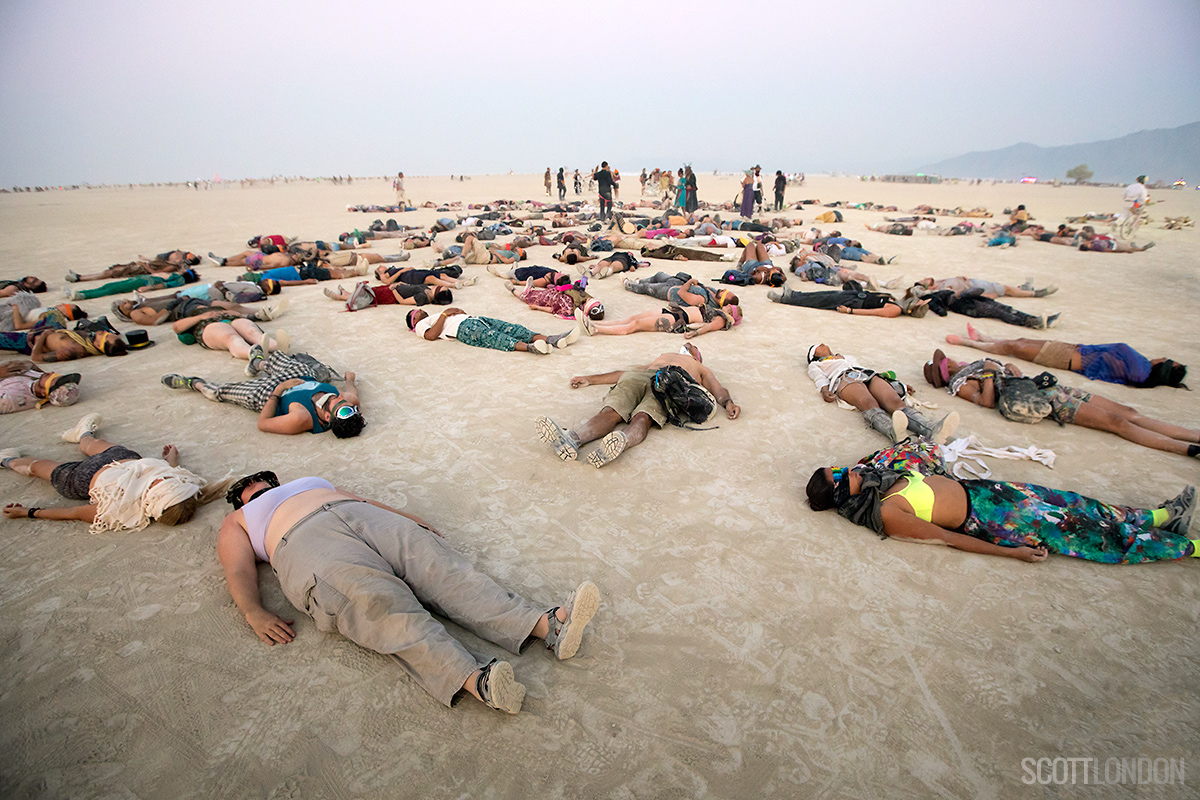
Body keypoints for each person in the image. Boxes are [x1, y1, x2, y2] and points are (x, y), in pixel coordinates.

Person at [215, 471, 599, 713]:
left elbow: (365, 501)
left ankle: (545, 626)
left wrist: (409, 519)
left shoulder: (311, 482)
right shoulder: (238, 520)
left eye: (260, 482)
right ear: (241, 500)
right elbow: (237, 568)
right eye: (246, 490)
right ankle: (476, 679)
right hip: (302, 542)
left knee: (439, 568)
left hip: (359, 514)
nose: (254, 486)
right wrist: (253, 611)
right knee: (375, 604)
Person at [805, 446, 1198, 564]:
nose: (844, 469)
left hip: (987, 490)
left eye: (837, 467)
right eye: (838, 475)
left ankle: (1160, 516)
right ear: (842, 496)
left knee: (1075, 503)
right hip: (994, 518)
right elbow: (948, 539)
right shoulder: (887, 512)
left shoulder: (876, 479)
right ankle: (1189, 547)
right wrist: (1013, 553)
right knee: (1087, 533)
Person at [925, 351, 1200, 458]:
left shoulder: (969, 367)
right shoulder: (960, 383)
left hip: (1043, 386)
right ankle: (1187, 448)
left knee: (1127, 413)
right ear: (946, 370)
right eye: (946, 362)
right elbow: (985, 402)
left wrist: (1005, 366)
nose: (950, 360)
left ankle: (1194, 435)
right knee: (1116, 422)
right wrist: (988, 373)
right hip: (1042, 398)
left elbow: (1004, 372)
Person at [0, 413, 225, 533]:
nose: (162, 478)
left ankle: (6, 460)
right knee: (91, 444)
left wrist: (28, 512)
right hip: (123, 459)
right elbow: (174, 472)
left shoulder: (120, 509)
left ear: (152, 502)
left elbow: (74, 512)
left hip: (82, 478)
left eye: (160, 483)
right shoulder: (175, 483)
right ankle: (82, 433)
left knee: (38, 466)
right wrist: (171, 459)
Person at [535, 343, 740, 468]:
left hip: (671, 384)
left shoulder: (699, 366)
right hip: (643, 375)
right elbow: (625, 373)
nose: (689, 344)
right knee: (611, 410)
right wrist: (591, 379)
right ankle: (572, 439)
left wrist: (728, 402)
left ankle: (620, 442)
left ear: (697, 355)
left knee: (643, 416)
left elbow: (717, 388)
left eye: (693, 346)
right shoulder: (661, 356)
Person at [161, 352, 365, 437]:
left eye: (339, 403)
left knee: (225, 391)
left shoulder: (301, 419)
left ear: (327, 417)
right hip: (302, 378)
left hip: (270, 393)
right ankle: (258, 363)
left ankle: (195, 384)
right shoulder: (349, 400)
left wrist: (278, 390)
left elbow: (263, 423)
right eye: (349, 405)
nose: (341, 397)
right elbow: (351, 392)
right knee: (288, 361)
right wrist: (349, 380)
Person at [807, 343, 958, 444]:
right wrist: (825, 391)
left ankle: (932, 429)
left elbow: (860, 366)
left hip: (867, 374)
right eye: (816, 346)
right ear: (814, 355)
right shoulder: (816, 364)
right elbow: (819, 379)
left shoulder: (846, 357)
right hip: (844, 379)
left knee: (895, 402)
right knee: (869, 403)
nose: (822, 344)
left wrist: (896, 384)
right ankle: (893, 431)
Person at [945, 328, 1188, 388]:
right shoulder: (1142, 365)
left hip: (1067, 358)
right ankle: (986, 338)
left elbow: (1122, 348)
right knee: (1019, 341)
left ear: (1163, 368)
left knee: (1015, 347)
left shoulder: (1142, 371)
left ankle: (970, 342)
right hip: (1074, 350)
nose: (1163, 357)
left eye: (1167, 361)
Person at [406, 307, 580, 354]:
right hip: (463, 329)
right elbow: (431, 336)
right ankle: (531, 347)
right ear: (414, 321)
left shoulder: (434, 316)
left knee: (511, 328)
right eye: (416, 312)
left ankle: (551, 339)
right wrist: (445, 314)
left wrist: (457, 312)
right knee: (496, 338)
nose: (420, 310)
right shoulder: (421, 325)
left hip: (474, 319)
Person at [581, 302, 740, 339]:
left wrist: (694, 333)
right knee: (632, 318)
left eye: (730, 307)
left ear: (732, 313)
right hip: (674, 311)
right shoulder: (717, 311)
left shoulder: (722, 319)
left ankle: (596, 330)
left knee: (635, 325)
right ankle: (595, 324)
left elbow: (709, 327)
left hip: (678, 319)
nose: (726, 305)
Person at [0, 359, 80, 413]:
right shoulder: (40, 380)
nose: (52, 373)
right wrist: (27, 365)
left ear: (44, 393)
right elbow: (30, 365)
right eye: (59, 376)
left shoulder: (10, 398)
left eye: (53, 379)